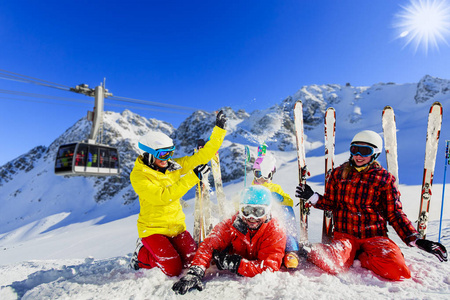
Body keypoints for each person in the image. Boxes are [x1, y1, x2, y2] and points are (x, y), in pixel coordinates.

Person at [295, 130, 448, 281]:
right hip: (345, 235)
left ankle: (361, 256)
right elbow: (331, 204)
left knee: (399, 272)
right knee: (333, 263)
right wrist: (312, 196)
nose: (358, 156)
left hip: (374, 236)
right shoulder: (338, 174)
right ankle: (320, 252)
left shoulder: (384, 179)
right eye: (355, 150)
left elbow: (394, 213)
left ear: (375, 154)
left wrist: (416, 240)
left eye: (365, 151)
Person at [129, 111, 227, 277]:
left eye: (170, 152)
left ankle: (166, 250)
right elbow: (162, 197)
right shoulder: (139, 175)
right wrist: (192, 177)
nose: (167, 158)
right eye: (163, 154)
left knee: (192, 262)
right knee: (172, 269)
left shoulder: (170, 166)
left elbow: (202, 156)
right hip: (153, 229)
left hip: (176, 227)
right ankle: (141, 255)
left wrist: (219, 130)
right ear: (148, 154)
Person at [172, 185, 287, 295]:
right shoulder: (232, 223)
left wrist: (236, 264)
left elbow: (269, 268)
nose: (252, 217)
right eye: (246, 211)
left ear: (268, 212)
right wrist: (196, 271)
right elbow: (208, 245)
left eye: (258, 212)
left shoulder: (275, 230)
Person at [251, 152, 300, 269]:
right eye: (258, 174)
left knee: (286, 211)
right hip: (256, 222)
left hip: (273, 221)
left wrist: (280, 199)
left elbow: (290, 202)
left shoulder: (276, 188)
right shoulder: (251, 189)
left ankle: (290, 251)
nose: (262, 178)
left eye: (265, 175)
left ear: (271, 174)